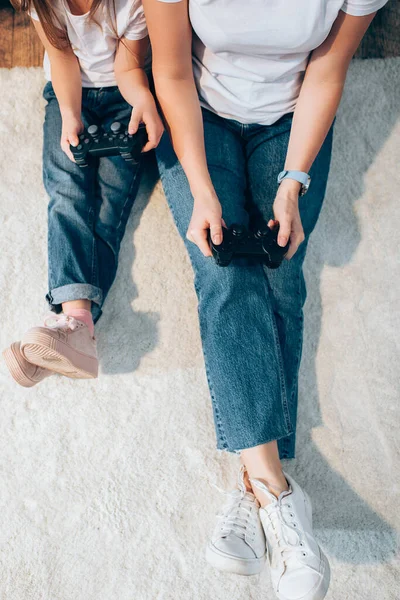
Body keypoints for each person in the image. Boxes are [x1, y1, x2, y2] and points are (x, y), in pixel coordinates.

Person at [143, 0, 388, 598]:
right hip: (199, 115)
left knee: (282, 269)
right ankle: (280, 495)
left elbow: (328, 70)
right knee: (223, 272)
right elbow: (171, 71)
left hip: (291, 117)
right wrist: (202, 192)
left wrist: (293, 182)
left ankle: (246, 478)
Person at [3, 0, 163, 386]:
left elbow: (128, 67)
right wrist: (71, 113)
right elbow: (62, 60)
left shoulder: (132, 5)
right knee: (66, 190)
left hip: (125, 95)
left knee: (109, 205)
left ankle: (72, 327)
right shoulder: (41, 2)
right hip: (67, 90)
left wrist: (143, 99)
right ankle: (78, 325)